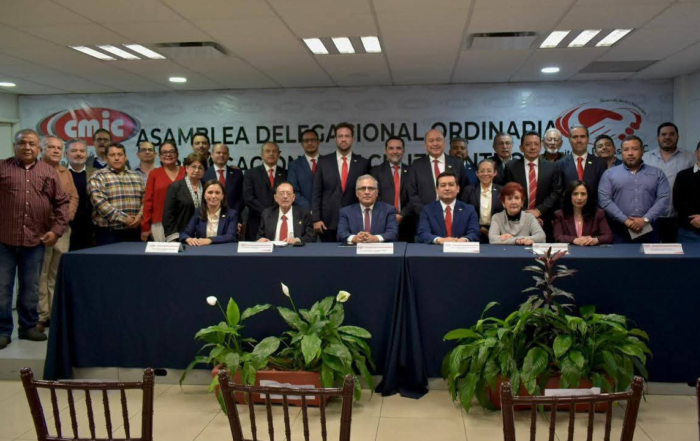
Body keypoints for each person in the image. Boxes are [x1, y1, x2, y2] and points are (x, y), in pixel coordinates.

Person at [0, 129, 69, 349]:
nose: (27, 147)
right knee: (2, 288)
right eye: (22, 143)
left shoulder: (48, 171)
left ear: (38, 148)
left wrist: (56, 231)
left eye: (31, 144)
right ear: (14, 146)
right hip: (4, 240)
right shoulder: (2, 168)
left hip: (35, 241)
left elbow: (62, 203)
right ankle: (2, 331)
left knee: (30, 288)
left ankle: (28, 327)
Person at [37, 136, 79, 333]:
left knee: (56, 273)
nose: (55, 151)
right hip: (41, 229)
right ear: (41, 149)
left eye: (58, 148)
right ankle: (41, 315)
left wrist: (67, 217)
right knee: (41, 273)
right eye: (51, 147)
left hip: (62, 229)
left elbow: (73, 196)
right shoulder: (35, 169)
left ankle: (54, 314)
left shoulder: (65, 172)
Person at [598, 135, 670, 243]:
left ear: (642, 151)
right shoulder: (609, 174)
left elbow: (663, 199)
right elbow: (604, 200)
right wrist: (626, 220)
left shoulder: (657, 173)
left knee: (650, 255)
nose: (630, 153)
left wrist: (645, 219)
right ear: (621, 152)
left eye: (635, 149)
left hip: (649, 229)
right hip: (618, 230)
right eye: (626, 149)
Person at [312, 122, 370, 242]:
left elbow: (368, 193)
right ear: (335, 139)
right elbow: (316, 192)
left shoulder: (363, 163)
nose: (343, 139)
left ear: (353, 139)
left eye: (347, 136)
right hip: (327, 222)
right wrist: (316, 219)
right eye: (340, 136)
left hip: (356, 221)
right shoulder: (323, 162)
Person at [642, 122, 696, 242]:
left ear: (677, 136)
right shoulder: (645, 158)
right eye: (664, 134)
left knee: (676, 251)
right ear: (658, 137)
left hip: (678, 217)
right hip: (650, 216)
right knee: (650, 250)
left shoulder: (690, 158)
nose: (667, 137)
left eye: (672, 134)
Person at [503, 131, 562, 236]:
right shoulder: (511, 167)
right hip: (517, 219)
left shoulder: (552, 167)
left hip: (544, 220)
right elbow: (508, 193)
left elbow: (556, 192)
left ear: (541, 147)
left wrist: (539, 211)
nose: (533, 147)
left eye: (536, 144)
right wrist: (527, 214)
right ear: (521, 148)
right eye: (528, 144)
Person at [406, 129, 467, 224]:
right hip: (425, 219)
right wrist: (426, 214)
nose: (435, 144)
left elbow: (464, 189)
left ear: (444, 143)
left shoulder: (457, 163)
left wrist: (456, 212)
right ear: (425, 145)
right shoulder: (416, 165)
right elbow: (412, 193)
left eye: (438, 140)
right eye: (431, 141)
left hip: (454, 218)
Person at [88, 143, 144, 245]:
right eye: (112, 155)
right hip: (109, 234)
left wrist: (140, 216)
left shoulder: (136, 176)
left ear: (125, 157)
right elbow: (100, 203)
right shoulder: (98, 176)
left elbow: (146, 200)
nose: (117, 158)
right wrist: (124, 219)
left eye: (120, 154)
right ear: (106, 158)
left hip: (134, 231)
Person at [141, 140, 185, 242]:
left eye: (171, 152)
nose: (168, 155)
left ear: (177, 154)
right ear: (160, 156)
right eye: (164, 152)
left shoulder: (185, 171)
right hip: (159, 223)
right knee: (163, 252)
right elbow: (148, 201)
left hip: (184, 222)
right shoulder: (154, 174)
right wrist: (145, 227)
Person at [370, 136, 413, 242]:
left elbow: (414, 196)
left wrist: (402, 215)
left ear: (403, 150)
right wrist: (390, 215)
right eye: (391, 148)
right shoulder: (376, 171)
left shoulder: (412, 171)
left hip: (407, 223)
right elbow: (375, 196)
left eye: (398, 148)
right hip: (382, 223)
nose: (395, 151)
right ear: (386, 150)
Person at [418, 172, 479, 244]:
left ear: (458, 189)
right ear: (437, 190)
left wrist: (463, 240)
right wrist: (440, 240)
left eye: (451, 185)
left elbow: (475, 232)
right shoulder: (427, 210)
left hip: (461, 248)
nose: (447, 188)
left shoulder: (469, 209)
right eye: (443, 185)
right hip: (436, 249)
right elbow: (423, 233)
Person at [244, 142, 287, 241]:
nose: (271, 154)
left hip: (280, 220)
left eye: (274, 151)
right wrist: (267, 213)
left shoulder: (286, 173)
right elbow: (248, 198)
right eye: (267, 151)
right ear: (261, 154)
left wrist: (276, 213)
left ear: (279, 155)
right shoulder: (250, 173)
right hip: (256, 221)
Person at [338, 175, 398, 243]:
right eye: (363, 188)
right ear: (357, 193)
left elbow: (393, 234)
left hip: (379, 248)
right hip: (354, 249)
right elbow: (341, 234)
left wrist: (375, 238)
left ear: (377, 192)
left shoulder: (389, 210)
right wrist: (354, 238)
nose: (367, 192)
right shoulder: (346, 212)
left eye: (371, 188)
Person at [162, 153, 207, 242]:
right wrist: (173, 238)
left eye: (200, 168)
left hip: (203, 237)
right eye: (193, 167)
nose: (197, 170)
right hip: (181, 236)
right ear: (186, 168)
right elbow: (168, 215)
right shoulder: (175, 187)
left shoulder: (207, 187)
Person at [557, 125, 607, 203]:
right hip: (568, 209)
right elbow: (558, 193)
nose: (579, 140)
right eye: (575, 137)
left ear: (588, 139)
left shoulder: (600, 164)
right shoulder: (560, 164)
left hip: (593, 209)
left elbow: (603, 193)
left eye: (582, 136)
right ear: (569, 140)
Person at [553, 180, 613, 245]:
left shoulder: (598, 213)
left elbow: (608, 236)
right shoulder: (560, 214)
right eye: (575, 194)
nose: (579, 198)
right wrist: (574, 240)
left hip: (590, 250)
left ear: (588, 196)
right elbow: (557, 237)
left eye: (583, 194)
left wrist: (595, 240)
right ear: (569, 196)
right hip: (571, 250)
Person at [180, 180, 238, 245]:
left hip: (223, 249)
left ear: (222, 196)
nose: (213, 196)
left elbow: (231, 236)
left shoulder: (231, 214)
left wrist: (210, 240)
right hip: (202, 249)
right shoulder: (198, 212)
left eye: (217, 193)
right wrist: (188, 239)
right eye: (210, 192)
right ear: (204, 195)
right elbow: (185, 233)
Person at [461, 159, 504, 243]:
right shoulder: (468, 190)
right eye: (482, 171)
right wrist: (480, 228)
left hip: (498, 232)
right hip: (474, 231)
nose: (485, 174)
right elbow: (463, 213)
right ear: (477, 173)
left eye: (489, 171)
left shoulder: (502, 191)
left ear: (495, 173)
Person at [65, 138, 95, 250]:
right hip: (66, 226)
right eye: (74, 151)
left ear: (86, 154)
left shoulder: (97, 173)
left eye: (82, 151)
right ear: (66, 154)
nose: (78, 154)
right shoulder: (59, 173)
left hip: (91, 227)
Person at [203, 143, 244, 216]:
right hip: (209, 215)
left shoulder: (237, 173)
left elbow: (242, 196)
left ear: (228, 156)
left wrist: (234, 212)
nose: (221, 155)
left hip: (233, 216)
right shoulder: (204, 174)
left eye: (224, 153)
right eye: (218, 153)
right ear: (211, 155)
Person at [672, 140, 700, 242]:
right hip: (688, 232)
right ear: (696, 152)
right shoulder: (683, 175)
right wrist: (696, 219)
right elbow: (678, 202)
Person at [287, 129, 321, 210]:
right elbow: (293, 191)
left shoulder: (328, 162)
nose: (309, 143)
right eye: (306, 141)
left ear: (318, 142)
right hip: (304, 213)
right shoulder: (294, 165)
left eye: (313, 140)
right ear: (302, 144)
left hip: (326, 212)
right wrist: (310, 209)